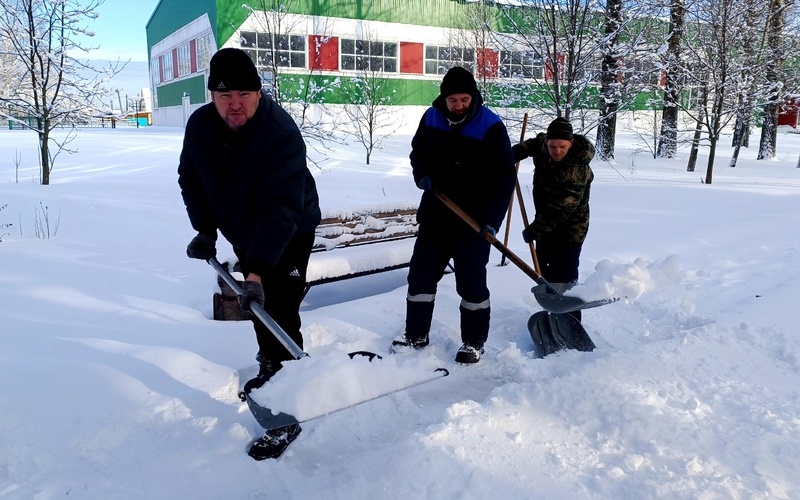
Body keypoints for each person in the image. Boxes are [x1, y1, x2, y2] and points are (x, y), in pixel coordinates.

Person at [177, 47, 321, 460]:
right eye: (224, 95)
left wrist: (256, 271)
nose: (234, 103)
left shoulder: (280, 133)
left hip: (290, 230)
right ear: (212, 96)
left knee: (279, 305)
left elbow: (281, 207)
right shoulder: (201, 125)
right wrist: (204, 229)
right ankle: (271, 368)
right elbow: (192, 179)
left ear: (259, 93)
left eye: (243, 93)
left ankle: (289, 404)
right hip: (243, 230)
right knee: (260, 307)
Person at [391, 66, 516, 364]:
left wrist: (492, 220)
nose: (459, 105)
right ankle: (416, 335)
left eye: (464, 99)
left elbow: (503, 179)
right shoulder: (431, 118)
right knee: (420, 278)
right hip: (436, 214)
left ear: (473, 97)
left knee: (471, 284)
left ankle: (473, 343)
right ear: (443, 99)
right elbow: (417, 151)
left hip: (472, 220)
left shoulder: (490, 126)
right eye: (453, 100)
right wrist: (421, 173)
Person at [512, 117, 595, 322]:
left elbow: (561, 208)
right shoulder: (544, 145)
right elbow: (533, 144)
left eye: (562, 147)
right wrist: (512, 153)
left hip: (570, 230)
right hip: (545, 225)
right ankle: (553, 313)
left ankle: (571, 320)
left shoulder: (577, 169)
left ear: (571, 143)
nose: (557, 151)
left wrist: (535, 229)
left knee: (565, 278)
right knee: (544, 271)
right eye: (553, 146)